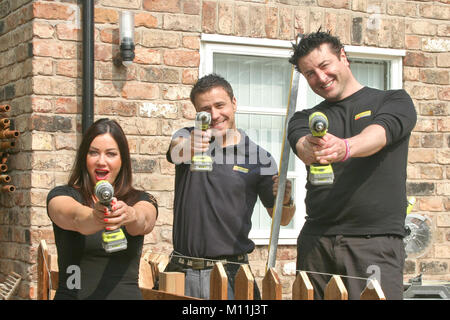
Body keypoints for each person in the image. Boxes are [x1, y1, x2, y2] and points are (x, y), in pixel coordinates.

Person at [287, 31, 417, 300]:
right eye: (310, 73)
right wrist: (310, 147)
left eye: (324, 66)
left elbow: (380, 133)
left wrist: (345, 148)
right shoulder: (305, 118)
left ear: (343, 57)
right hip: (316, 241)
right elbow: (301, 146)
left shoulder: (393, 101)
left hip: (374, 241)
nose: (320, 78)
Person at [164, 73, 296, 299]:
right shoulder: (187, 137)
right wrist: (194, 145)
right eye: (205, 110)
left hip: (233, 276)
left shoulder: (259, 158)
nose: (214, 115)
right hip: (181, 273)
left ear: (234, 103)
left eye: (220, 105)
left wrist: (286, 200)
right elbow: (176, 150)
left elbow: (282, 219)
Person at [46, 118, 158, 299]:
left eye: (111, 154)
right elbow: (76, 218)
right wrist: (96, 216)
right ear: (84, 157)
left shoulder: (140, 199)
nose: (101, 161)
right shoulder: (61, 195)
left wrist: (130, 214)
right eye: (93, 153)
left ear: (123, 160)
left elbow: (145, 220)